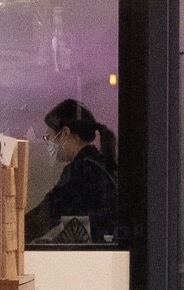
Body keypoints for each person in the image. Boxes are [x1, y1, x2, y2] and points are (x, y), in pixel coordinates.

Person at [26, 99, 123, 246]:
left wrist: (13, 233)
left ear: (65, 133)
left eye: (49, 137)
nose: (49, 144)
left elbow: (48, 213)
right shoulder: (101, 163)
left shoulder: (81, 170)